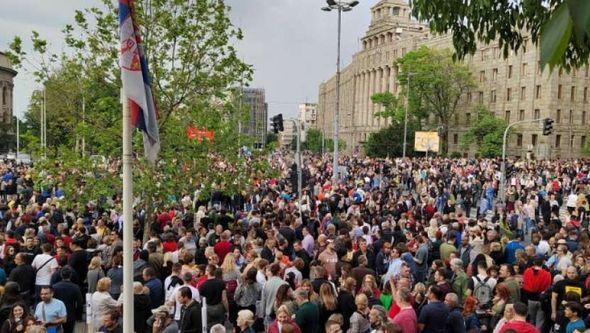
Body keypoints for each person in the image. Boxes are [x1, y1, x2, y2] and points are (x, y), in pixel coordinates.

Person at [52, 268, 83, 333]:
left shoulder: (54, 287)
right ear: (70, 275)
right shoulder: (75, 287)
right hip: (70, 314)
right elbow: (80, 302)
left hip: (56, 314)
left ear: (61, 275)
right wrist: (78, 316)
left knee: (54, 331)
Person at [198, 265, 227, 330]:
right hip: (219, 307)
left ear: (208, 272)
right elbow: (224, 299)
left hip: (208, 308)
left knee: (209, 327)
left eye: (206, 270)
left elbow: (201, 299)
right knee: (220, 328)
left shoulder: (203, 285)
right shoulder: (221, 283)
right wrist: (227, 310)